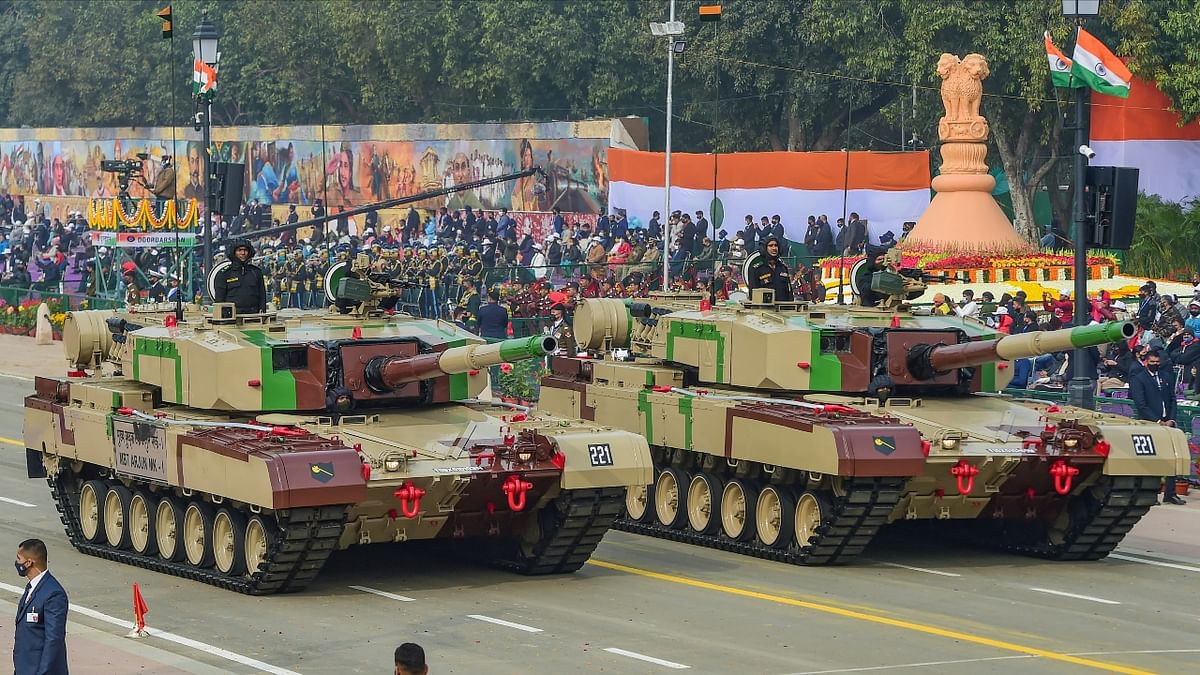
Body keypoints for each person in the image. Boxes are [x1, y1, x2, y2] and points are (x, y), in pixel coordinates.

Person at [1128, 349, 1186, 505]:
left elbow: (1173, 399)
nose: (1155, 365)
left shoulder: (1166, 376)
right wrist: (1158, 420)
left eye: (1157, 362)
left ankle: (1170, 493)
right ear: (1146, 362)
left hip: (1169, 422)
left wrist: (1171, 419)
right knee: (1151, 460)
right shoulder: (1138, 378)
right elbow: (1141, 404)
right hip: (1149, 423)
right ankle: (1149, 495)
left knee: (1173, 457)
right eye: (1152, 362)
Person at [14, 538, 69, 675]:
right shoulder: (32, 588)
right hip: (25, 668)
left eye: (19, 558)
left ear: (29, 562)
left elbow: (54, 639)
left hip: (40, 671)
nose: (17, 563)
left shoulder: (53, 594)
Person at [213, 238, 267, 314]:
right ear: (234, 252)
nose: (243, 253)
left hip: (253, 315)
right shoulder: (224, 273)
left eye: (245, 250)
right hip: (232, 317)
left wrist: (262, 311)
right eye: (239, 250)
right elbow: (219, 299)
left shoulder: (256, 272)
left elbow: (262, 295)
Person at [748, 235, 792, 301]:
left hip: (783, 308)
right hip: (765, 309)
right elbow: (753, 294)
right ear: (764, 248)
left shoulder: (783, 268)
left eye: (776, 245)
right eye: (770, 246)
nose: (774, 248)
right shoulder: (756, 269)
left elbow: (789, 292)